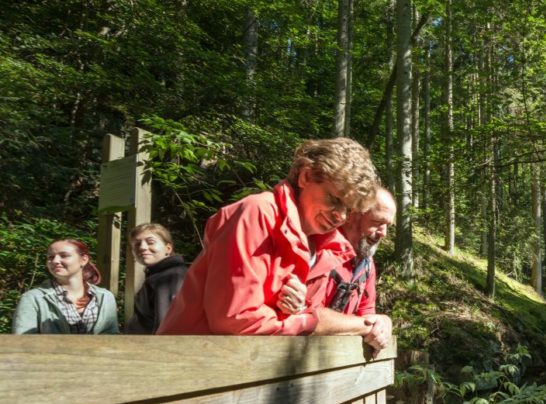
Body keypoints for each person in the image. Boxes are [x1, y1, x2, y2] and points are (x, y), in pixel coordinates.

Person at [157, 138, 390, 353]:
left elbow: (295, 318)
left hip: (248, 375)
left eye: (348, 209)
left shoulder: (329, 248)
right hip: (187, 366)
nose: (340, 216)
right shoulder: (258, 214)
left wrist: (302, 312)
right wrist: (308, 319)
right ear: (306, 177)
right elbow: (236, 320)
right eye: (335, 200)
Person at [278, 186, 396, 350]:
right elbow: (308, 317)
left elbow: (368, 316)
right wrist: (364, 326)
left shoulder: (366, 264)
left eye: (387, 225)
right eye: (377, 222)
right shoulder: (316, 248)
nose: (383, 233)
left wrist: (384, 322)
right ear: (352, 215)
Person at [12, 239, 119, 334]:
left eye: (64, 255)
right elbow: (23, 342)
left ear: (84, 259)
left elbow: (112, 337)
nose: (55, 261)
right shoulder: (33, 298)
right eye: (50, 257)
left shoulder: (105, 297)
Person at [124, 223, 189, 334]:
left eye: (150, 242)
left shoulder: (171, 277)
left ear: (168, 248)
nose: (142, 247)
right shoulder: (157, 274)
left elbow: (165, 325)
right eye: (137, 244)